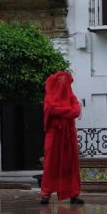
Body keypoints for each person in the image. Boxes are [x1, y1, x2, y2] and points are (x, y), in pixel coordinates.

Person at [40, 71, 84, 204]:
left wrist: (62, 110)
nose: (63, 85)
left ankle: (73, 194)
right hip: (54, 134)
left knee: (71, 164)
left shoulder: (72, 97)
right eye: (60, 81)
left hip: (69, 134)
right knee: (50, 164)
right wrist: (68, 111)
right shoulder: (49, 98)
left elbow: (76, 112)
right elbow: (51, 109)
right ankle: (45, 194)